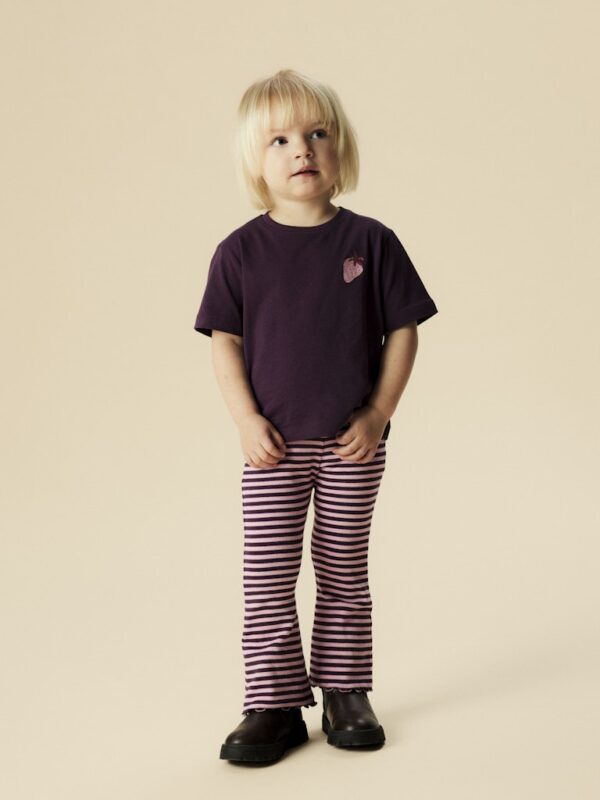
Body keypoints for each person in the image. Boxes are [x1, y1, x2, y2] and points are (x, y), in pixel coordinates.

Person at [193, 68, 439, 764]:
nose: (301, 148)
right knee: (268, 575)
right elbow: (224, 343)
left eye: (317, 134)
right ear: (255, 161)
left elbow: (403, 331)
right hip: (273, 446)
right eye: (279, 140)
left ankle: (345, 691)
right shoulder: (239, 253)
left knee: (343, 568)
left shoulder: (372, 241)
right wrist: (245, 420)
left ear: (339, 148)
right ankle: (273, 703)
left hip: (350, 444)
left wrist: (378, 413)